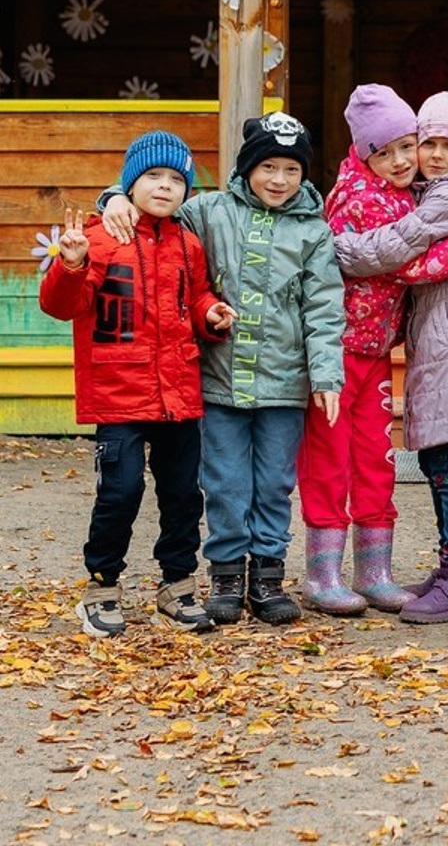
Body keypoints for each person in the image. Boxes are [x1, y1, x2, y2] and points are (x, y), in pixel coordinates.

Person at [102, 112, 346, 627]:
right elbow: (155, 206)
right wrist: (114, 198)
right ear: (247, 167)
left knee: (275, 483)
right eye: (268, 167)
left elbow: (323, 309)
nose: (279, 180)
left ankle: (268, 576)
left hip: (286, 382)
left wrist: (326, 375)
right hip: (217, 379)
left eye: (291, 169)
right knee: (225, 481)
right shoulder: (207, 211)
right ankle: (228, 573)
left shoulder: (314, 233)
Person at [297, 84, 448, 617]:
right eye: (384, 152)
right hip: (336, 350)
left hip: (378, 351)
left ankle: (374, 571)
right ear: (363, 153)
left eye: (407, 147)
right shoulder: (354, 197)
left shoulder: (413, 192)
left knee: (376, 458)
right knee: (328, 460)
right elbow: (400, 265)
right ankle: (323, 573)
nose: (402, 160)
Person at [42, 132, 235, 637]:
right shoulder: (100, 237)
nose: (165, 187)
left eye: (176, 179)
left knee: (182, 496)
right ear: (130, 182)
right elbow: (63, 305)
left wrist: (210, 312)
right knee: (120, 493)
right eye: (153, 176)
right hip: (119, 394)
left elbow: (194, 299)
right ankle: (102, 587)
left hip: (179, 395)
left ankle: (177, 585)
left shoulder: (188, 245)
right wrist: (72, 263)